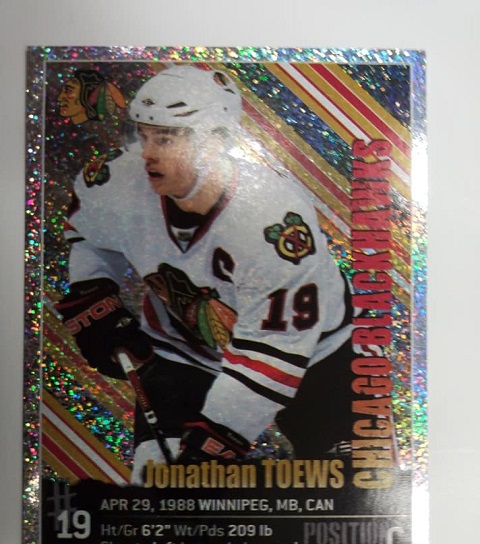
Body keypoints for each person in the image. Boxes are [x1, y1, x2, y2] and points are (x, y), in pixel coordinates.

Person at [56, 65, 354, 484]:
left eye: (165, 138)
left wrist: (220, 433)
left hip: (314, 356)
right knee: (159, 485)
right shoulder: (115, 182)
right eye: (143, 134)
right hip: (185, 352)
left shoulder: (273, 217)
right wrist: (94, 291)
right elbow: (89, 235)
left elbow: (276, 348)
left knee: (352, 487)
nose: (146, 152)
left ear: (214, 141)